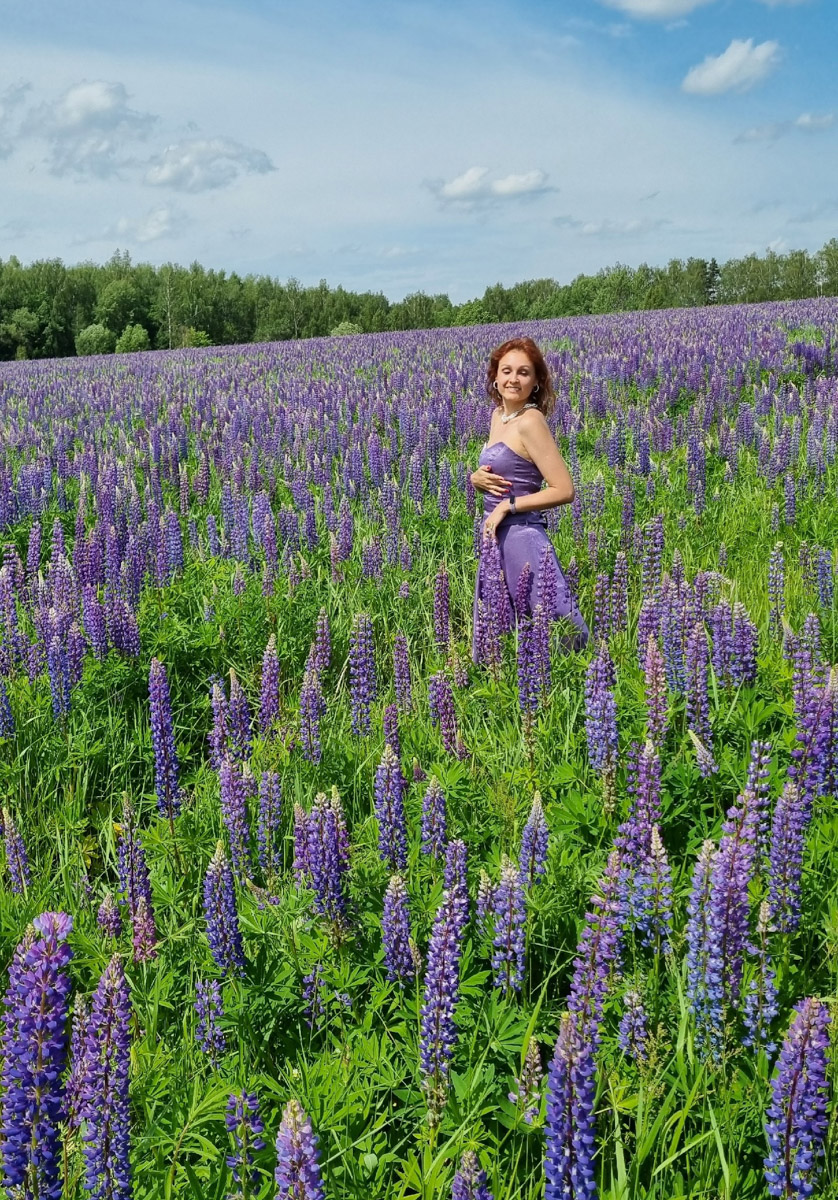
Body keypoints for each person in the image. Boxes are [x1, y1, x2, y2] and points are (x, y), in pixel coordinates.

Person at [470, 336, 589, 661]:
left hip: (523, 538)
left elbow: (564, 490)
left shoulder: (531, 421)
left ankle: (567, 697)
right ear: (495, 375)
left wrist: (509, 507)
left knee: (556, 626)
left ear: (536, 381)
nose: (513, 379)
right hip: (495, 538)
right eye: (506, 370)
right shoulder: (498, 415)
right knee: (504, 634)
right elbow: (505, 470)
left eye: (524, 372)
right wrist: (475, 478)